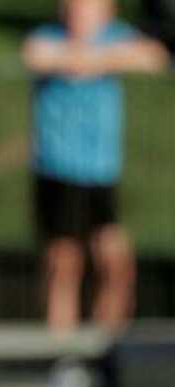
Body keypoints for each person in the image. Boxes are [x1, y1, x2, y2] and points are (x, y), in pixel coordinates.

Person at [23, 0, 168, 332]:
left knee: (116, 263)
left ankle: (107, 343)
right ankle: (61, 349)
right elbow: (35, 54)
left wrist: (92, 60)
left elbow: (153, 56)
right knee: (64, 264)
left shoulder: (115, 36)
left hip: (101, 172)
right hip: (58, 169)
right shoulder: (48, 36)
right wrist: (86, 59)